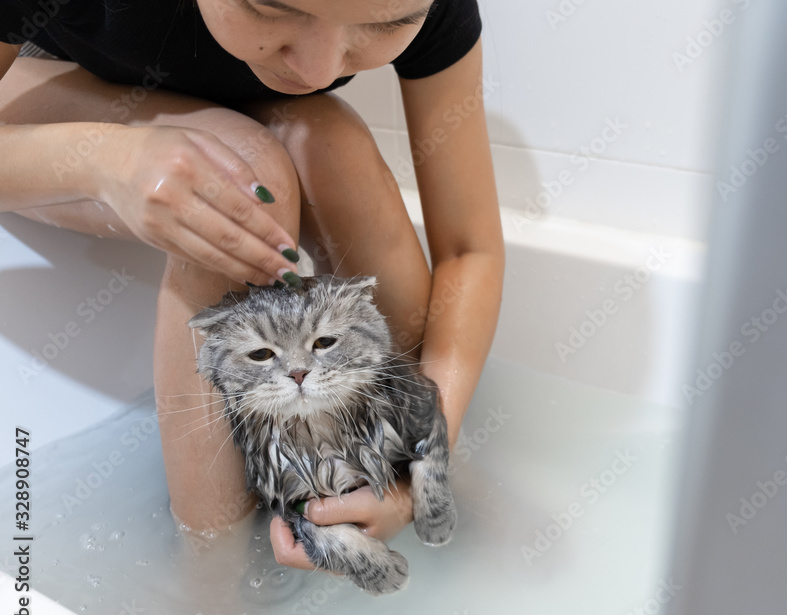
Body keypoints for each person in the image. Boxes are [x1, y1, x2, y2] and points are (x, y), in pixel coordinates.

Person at [0, 0, 503, 570]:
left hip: (218, 116)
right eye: (270, 9)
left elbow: (469, 248)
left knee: (331, 141)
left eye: (386, 25)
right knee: (242, 174)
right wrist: (103, 163)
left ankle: (420, 460)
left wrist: (428, 465)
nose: (318, 71)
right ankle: (212, 590)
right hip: (31, 114)